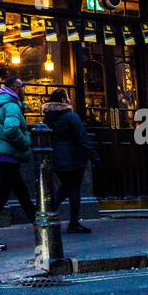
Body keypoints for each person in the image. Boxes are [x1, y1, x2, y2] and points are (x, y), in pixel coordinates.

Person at [0, 76, 36, 251]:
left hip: (1, 154)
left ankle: (40, 224)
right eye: (21, 87)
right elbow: (11, 129)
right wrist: (25, 141)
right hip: (8, 155)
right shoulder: (11, 104)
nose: (23, 90)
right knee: (0, 197)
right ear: (14, 88)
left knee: (21, 192)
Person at [42, 88, 99, 234]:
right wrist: (94, 156)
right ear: (62, 100)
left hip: (56, 157)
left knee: (65, 188)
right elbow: (82, 137)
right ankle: (73, 223)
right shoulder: (70, 116)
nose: (69, 99)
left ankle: (46, 214)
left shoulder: (48, 117)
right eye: (67, 97)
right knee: (73, 189)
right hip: (73, 158)